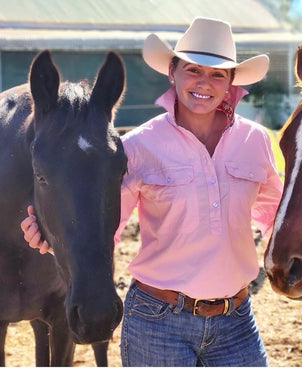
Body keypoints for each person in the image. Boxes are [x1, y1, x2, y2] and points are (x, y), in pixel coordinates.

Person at [21, 17, 283, 367]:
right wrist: (50, 235)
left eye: (218, 74)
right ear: (172, 72)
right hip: (159, 321)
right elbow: (101, 226)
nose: (204, 83)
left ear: (231, 82)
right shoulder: (138, 146)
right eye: (193, 70)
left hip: (235, 321)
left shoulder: (256, 141)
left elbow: (276, 216)